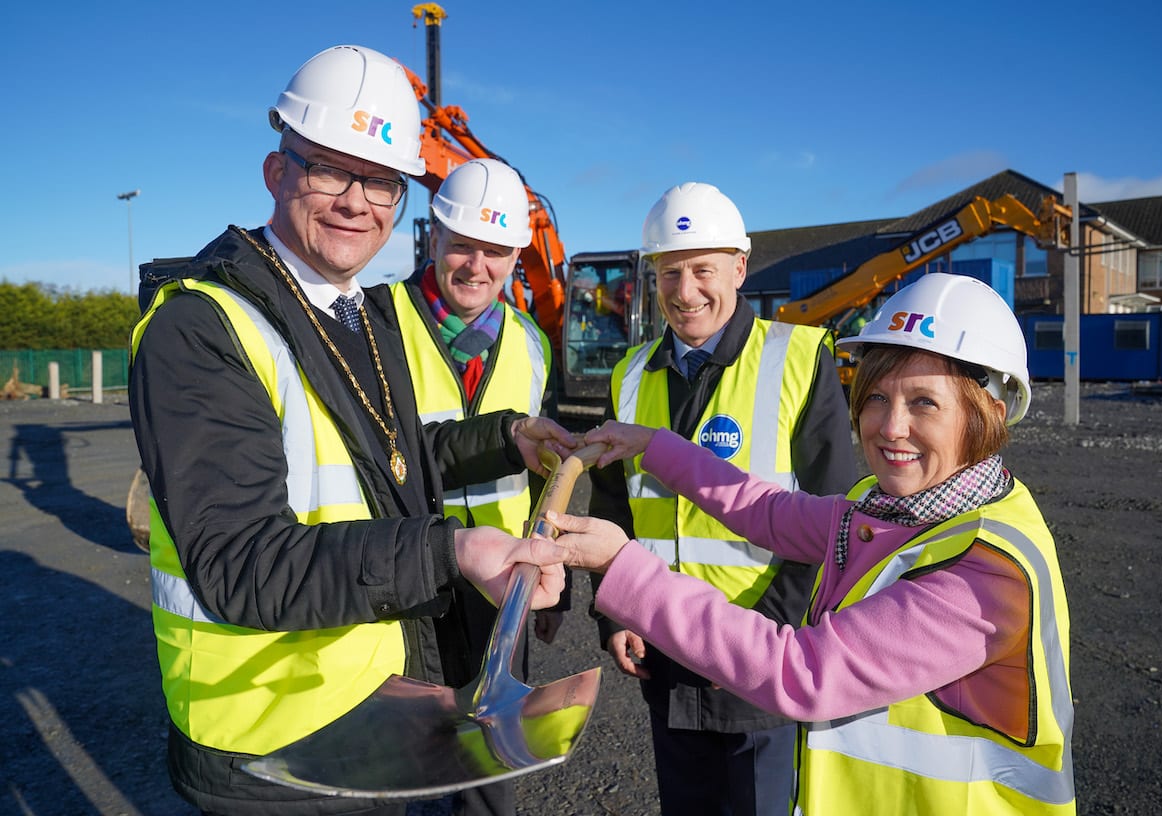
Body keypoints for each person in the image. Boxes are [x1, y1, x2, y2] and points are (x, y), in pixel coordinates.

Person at [128, 45, 573, 816]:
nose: (355, 201)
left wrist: (506, 437)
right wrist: (453, 549)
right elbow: (241, 560)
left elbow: (392, 462)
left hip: (370, 704)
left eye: (379, 182)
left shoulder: (356, 316)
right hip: (270, 740)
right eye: (329, 169)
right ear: (276, 172)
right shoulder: (201, 326)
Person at [549, 272, 1076, 815]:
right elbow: (769, 512)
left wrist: (622, 565)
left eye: (924, 402)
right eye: (875, 396)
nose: (891, 427)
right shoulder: (900, 509)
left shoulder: (983, 572)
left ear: (987, 412)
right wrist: (654, 444)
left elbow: (799, 673)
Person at [585, 182, 857, 815]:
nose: (686, 293)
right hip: (663, 648)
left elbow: (832, 515)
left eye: (703, 270)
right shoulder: (628, 377)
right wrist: (614, 615)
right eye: (670, 273)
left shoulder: (798, 359)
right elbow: (612, 509)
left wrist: (760, 635)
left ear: (740, 266)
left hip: (760, 655)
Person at [390, 158, 563, 816]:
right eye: (462, 244)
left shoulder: (531, 342)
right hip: (406, 585)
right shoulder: (376, 326)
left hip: (503, 593)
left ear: (517, 254)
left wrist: (553, 590)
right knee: (412, 766)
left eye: (494, 250)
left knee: (493, 769)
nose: (476, 265)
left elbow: (543, 480)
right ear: (432, 238)